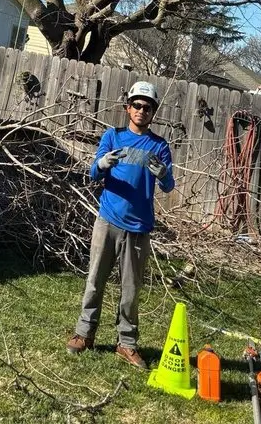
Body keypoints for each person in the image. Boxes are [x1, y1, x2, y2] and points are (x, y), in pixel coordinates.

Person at [66, 80, 175, 369]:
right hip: (108, 221)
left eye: (147, 107)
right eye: (137, 105)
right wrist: (101, 165)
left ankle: (126, 343)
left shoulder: (159, 146)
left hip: (139, 228)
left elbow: (168, 185)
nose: (142, 110)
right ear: (128, 108)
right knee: (94, 281)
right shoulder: (113, 136)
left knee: (131, 290)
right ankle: (85, 333)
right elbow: (93, 174)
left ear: (153, 112)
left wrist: (163, 174)